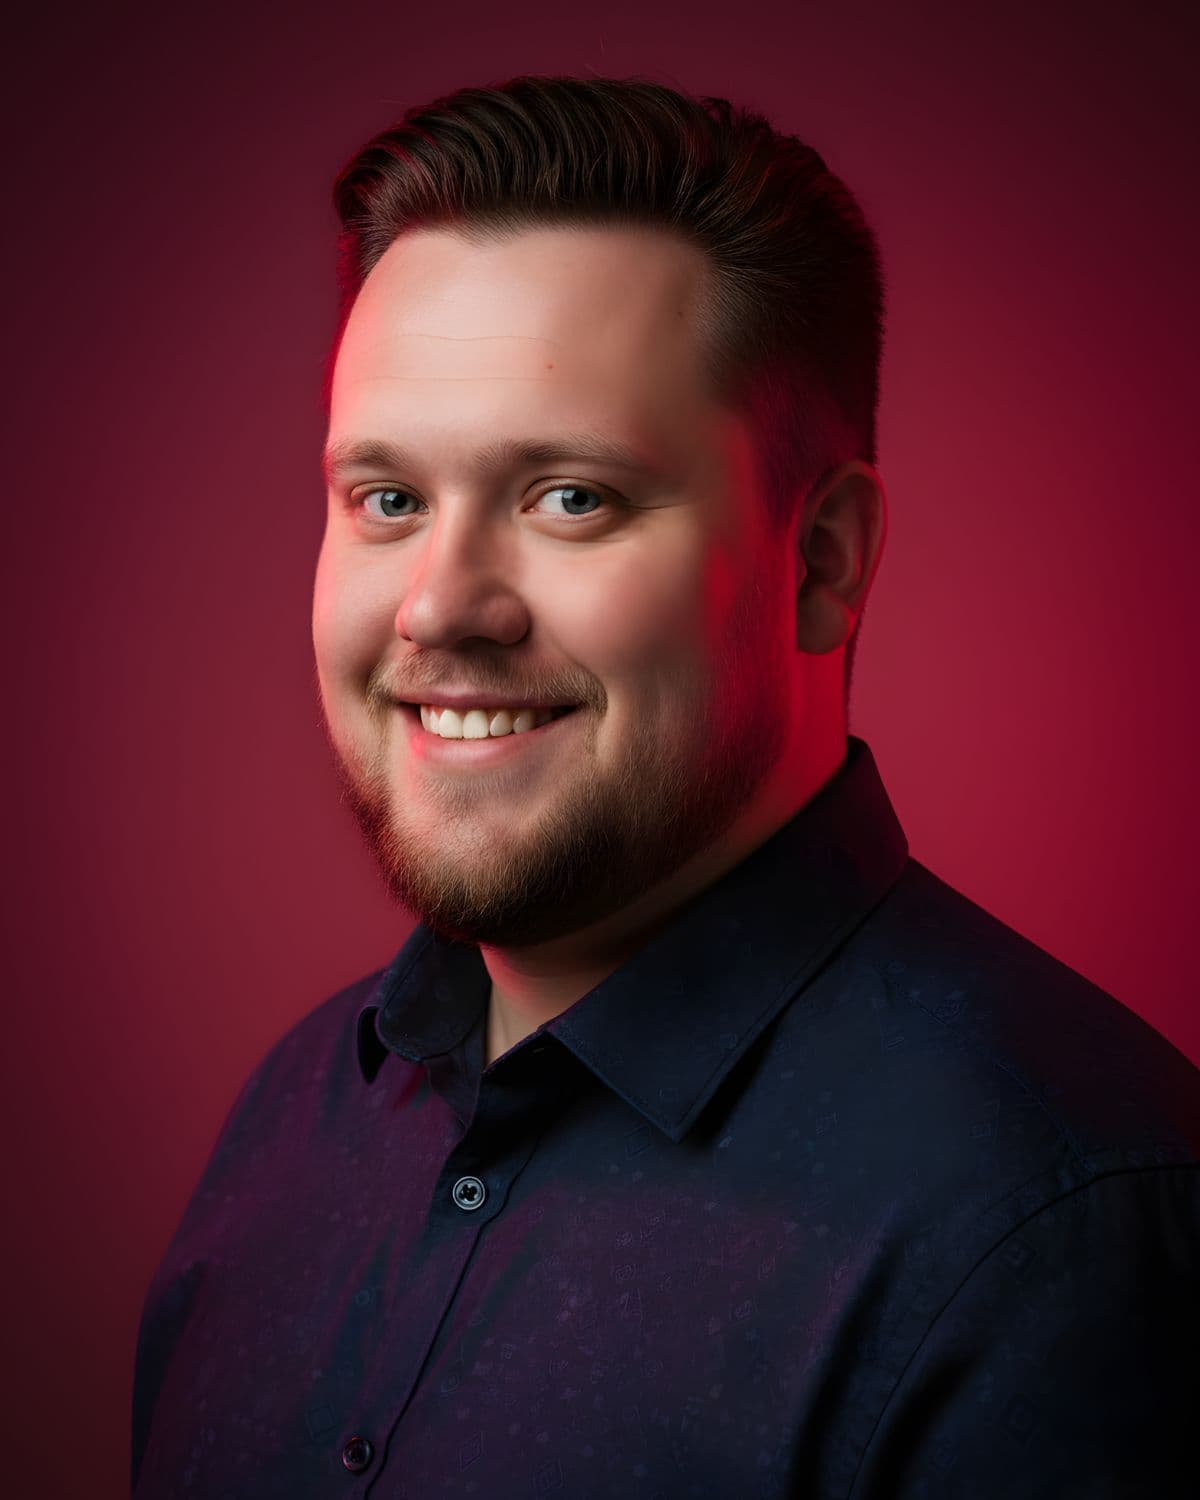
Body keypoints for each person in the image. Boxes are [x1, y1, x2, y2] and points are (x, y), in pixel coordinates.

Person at [131, 74, 1199, 1498]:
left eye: (570, 497)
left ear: (824, 560)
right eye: (387, 499)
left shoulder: (1057, 1242)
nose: (441, 607)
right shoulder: (293, 1118)